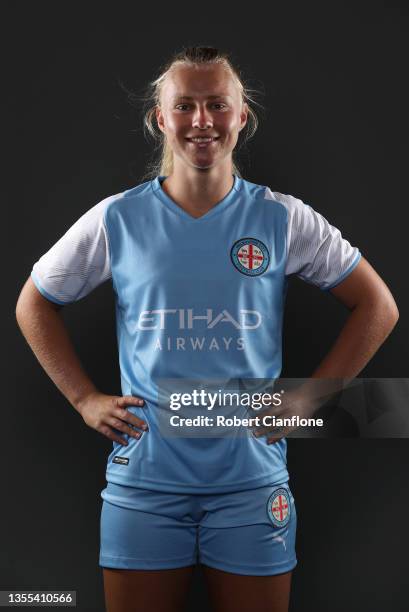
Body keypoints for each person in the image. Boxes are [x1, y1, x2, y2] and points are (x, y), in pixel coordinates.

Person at [15, 46, 399, 612]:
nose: (202, 121)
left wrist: (312, 399)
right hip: (144, 485)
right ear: (160, 118)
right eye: (186, 105)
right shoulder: (116, 218)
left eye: (217, 105)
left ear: (241, 117)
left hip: (251, 485)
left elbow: (378, 307)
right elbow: (33, 304)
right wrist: (83, 398)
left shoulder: (282, 217)